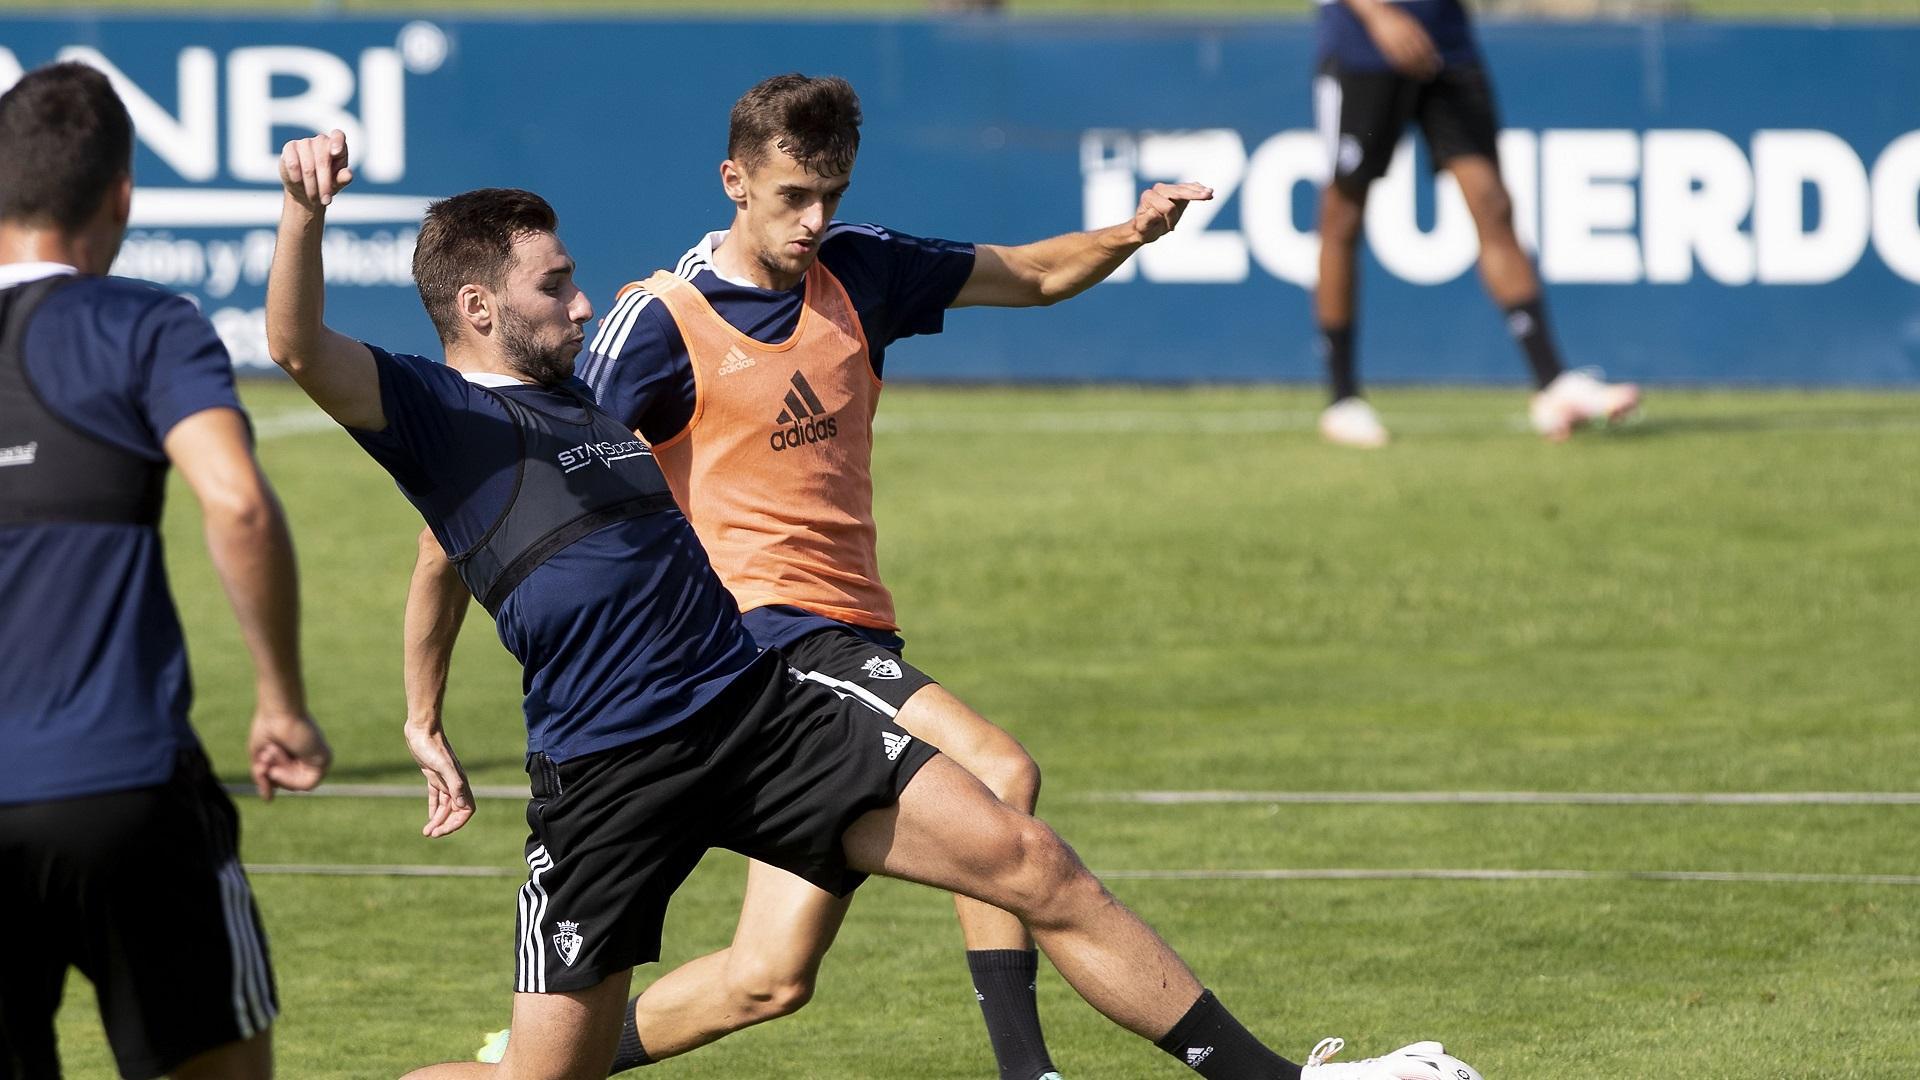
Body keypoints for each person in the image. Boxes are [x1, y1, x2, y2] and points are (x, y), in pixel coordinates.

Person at [267, 127, 1478, 1080]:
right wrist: (302, 214)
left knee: (1025, 857)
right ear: (480, 307)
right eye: (556, 284)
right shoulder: (440, 418)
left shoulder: (587, 392)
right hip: (607, 778)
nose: (583, 304)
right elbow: (298, 349)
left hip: (755, 714)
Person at [431, 72, 1211, 1080]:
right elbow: (528, 468)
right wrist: (439, 686)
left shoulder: (864, 271)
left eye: (829, 196)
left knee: (768, 978)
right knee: (996, 772)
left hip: (854, 636)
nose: (813, 219)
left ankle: (522, 1068)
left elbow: (1029, 273)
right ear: (734, 181)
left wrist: (1131, 234)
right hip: (763, 640)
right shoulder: (661, 324)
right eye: (792, 196)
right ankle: (1030, 1070)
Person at [0, 62, 331, 1080]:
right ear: (122, 194)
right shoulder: (146, 324)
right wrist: (280, 699)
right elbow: (233, 500)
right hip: (127, 787)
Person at [1311, 0, 1641, 447]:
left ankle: (1552, 384)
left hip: (1447, 42)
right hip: (1364, 48)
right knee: (1342, 215)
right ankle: (1343, 398)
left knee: (1493, 203)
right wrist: (1378, 14)